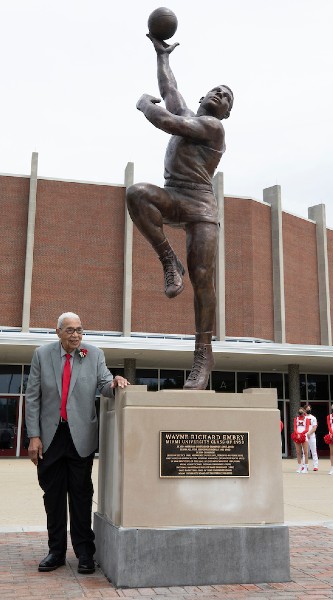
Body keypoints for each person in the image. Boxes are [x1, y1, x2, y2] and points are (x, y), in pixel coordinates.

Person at [126, 34, 233, 390]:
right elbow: (169, 88)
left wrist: (144, 105)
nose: (221, 94)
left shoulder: (213, 128)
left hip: (201, 206)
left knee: (203, 277)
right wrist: (162, 56)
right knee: (137, 194)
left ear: (226, 112)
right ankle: (169, 260)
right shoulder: (189, 112)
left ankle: (204, 352)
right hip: (174, 196)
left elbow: (168, 121)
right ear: (203, 98)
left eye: (227, 97)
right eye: (216, 90)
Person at [25, 312, 129, 574]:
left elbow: (104, 384)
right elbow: (33, 397)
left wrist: (115, 381)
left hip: (80, 438)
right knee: (54, 497)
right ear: (58, 332)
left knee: (82, 496)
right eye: (70, 330)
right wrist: (34, 436)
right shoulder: (42, 354)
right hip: (50, 438)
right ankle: (56, 552)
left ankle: (84, 553)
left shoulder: (94, 354)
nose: (76, 335)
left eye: (80, 330)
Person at [291, 407, 310, 474]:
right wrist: (297, 434)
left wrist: (301, 434)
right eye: (299, 411)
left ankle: (306, 467)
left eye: (302, 411)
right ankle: (299, 466)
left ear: (304, 411)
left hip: (304, 436)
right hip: (297, 436)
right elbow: (295, 428)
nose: (300, 412)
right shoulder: (296, 419)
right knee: (298, 452)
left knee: (305, 452)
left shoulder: (307, 419)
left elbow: (307, 429)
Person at [302, 404, 319, 471]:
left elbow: (315, 427)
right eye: (307, 409)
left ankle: (315, 466)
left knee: (313, 451)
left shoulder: (313, 418)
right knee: (305, 452)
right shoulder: (302, 418)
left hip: (311, 436)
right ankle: (305, 465)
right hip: (304, 437)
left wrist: (309, 433)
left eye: (309, 408)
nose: (308, 410)